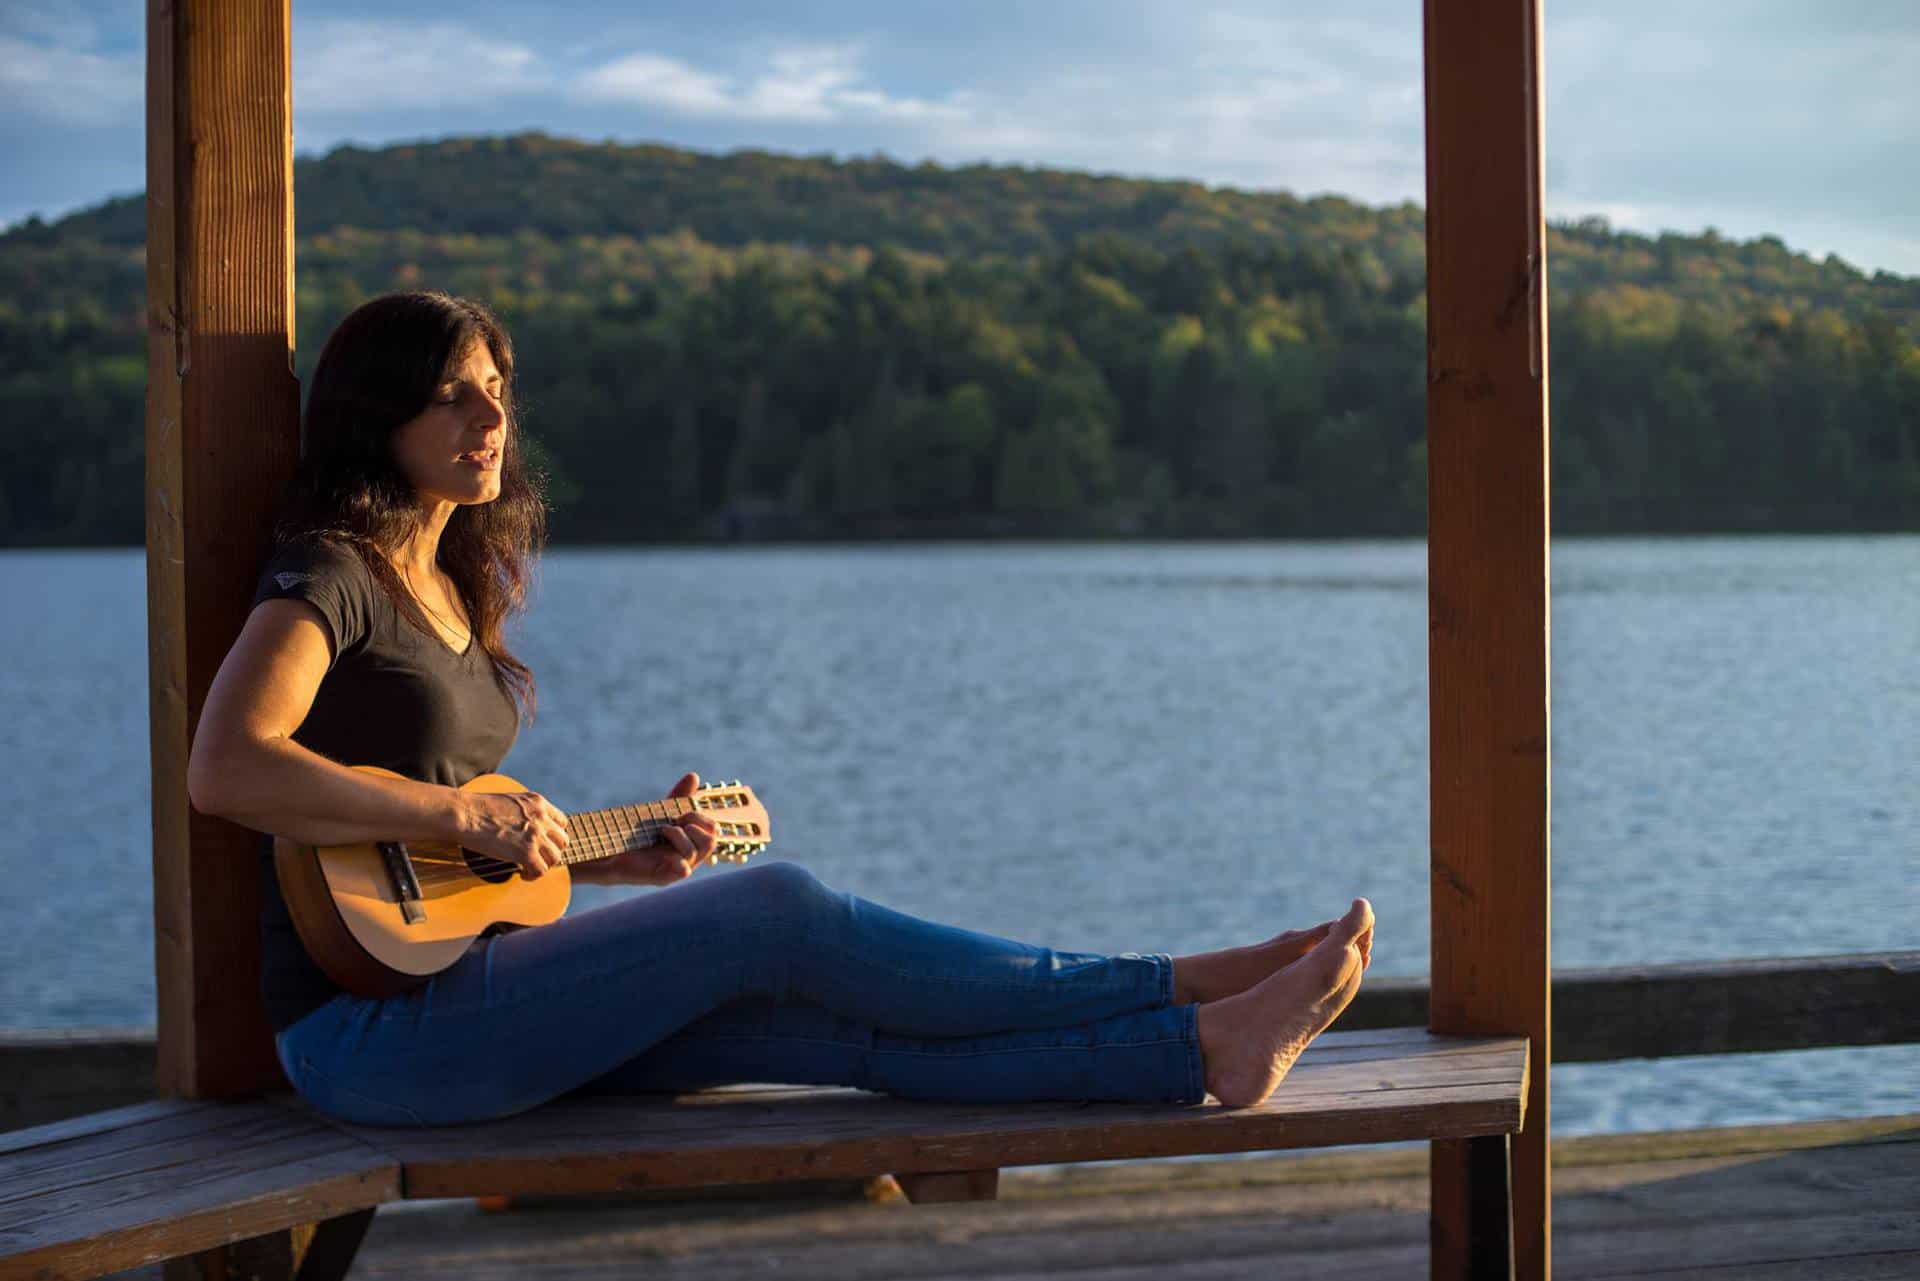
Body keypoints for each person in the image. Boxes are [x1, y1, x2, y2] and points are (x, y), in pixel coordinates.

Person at [186, 290, 1375, 1128]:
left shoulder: (448, 594)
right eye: (453, 396)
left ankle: (1196, 1050)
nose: (491, 421)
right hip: (371, 1044)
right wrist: (465, 822)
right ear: (376, 416)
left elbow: (435, 874)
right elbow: (229, 767)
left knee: (824, 1036)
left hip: (471, 992)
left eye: (497, 391)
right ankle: (1174, 979)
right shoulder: (330, 574)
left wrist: (602, 865)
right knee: (781, 909)